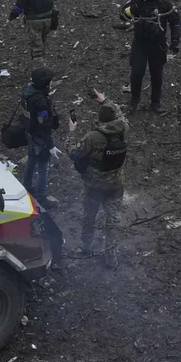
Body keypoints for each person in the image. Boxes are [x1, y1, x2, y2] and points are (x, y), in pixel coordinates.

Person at [68, 102, 127, 258]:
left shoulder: (93, 137)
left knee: (89, 217)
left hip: (95, 186)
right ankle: (111, 257)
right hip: (116, 185)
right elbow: (122, 116)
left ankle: (86, 247)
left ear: (99, 118)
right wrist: (105, 100)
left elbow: (74, 153)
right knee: (112, 223)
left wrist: (72, 132)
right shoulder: (124, 129)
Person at [17, 71, 66, 259]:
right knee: (43, 166)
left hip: (29, 134)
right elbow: (44, 125)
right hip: (39, 137)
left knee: (31, 158)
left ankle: (26, 185)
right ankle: (41, 196)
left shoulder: (27, 92)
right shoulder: (41, 103)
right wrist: (50, 145)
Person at [119, 0, 181, 113]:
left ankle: (155, 104)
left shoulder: (165, 4)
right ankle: (133, 102)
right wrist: (137, 6)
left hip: (157, 44)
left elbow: (176, 22)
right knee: (136, 73)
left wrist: (175, 40)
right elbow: (123, 15)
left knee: (156, 75)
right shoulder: (137, 0)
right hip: (140, 43)